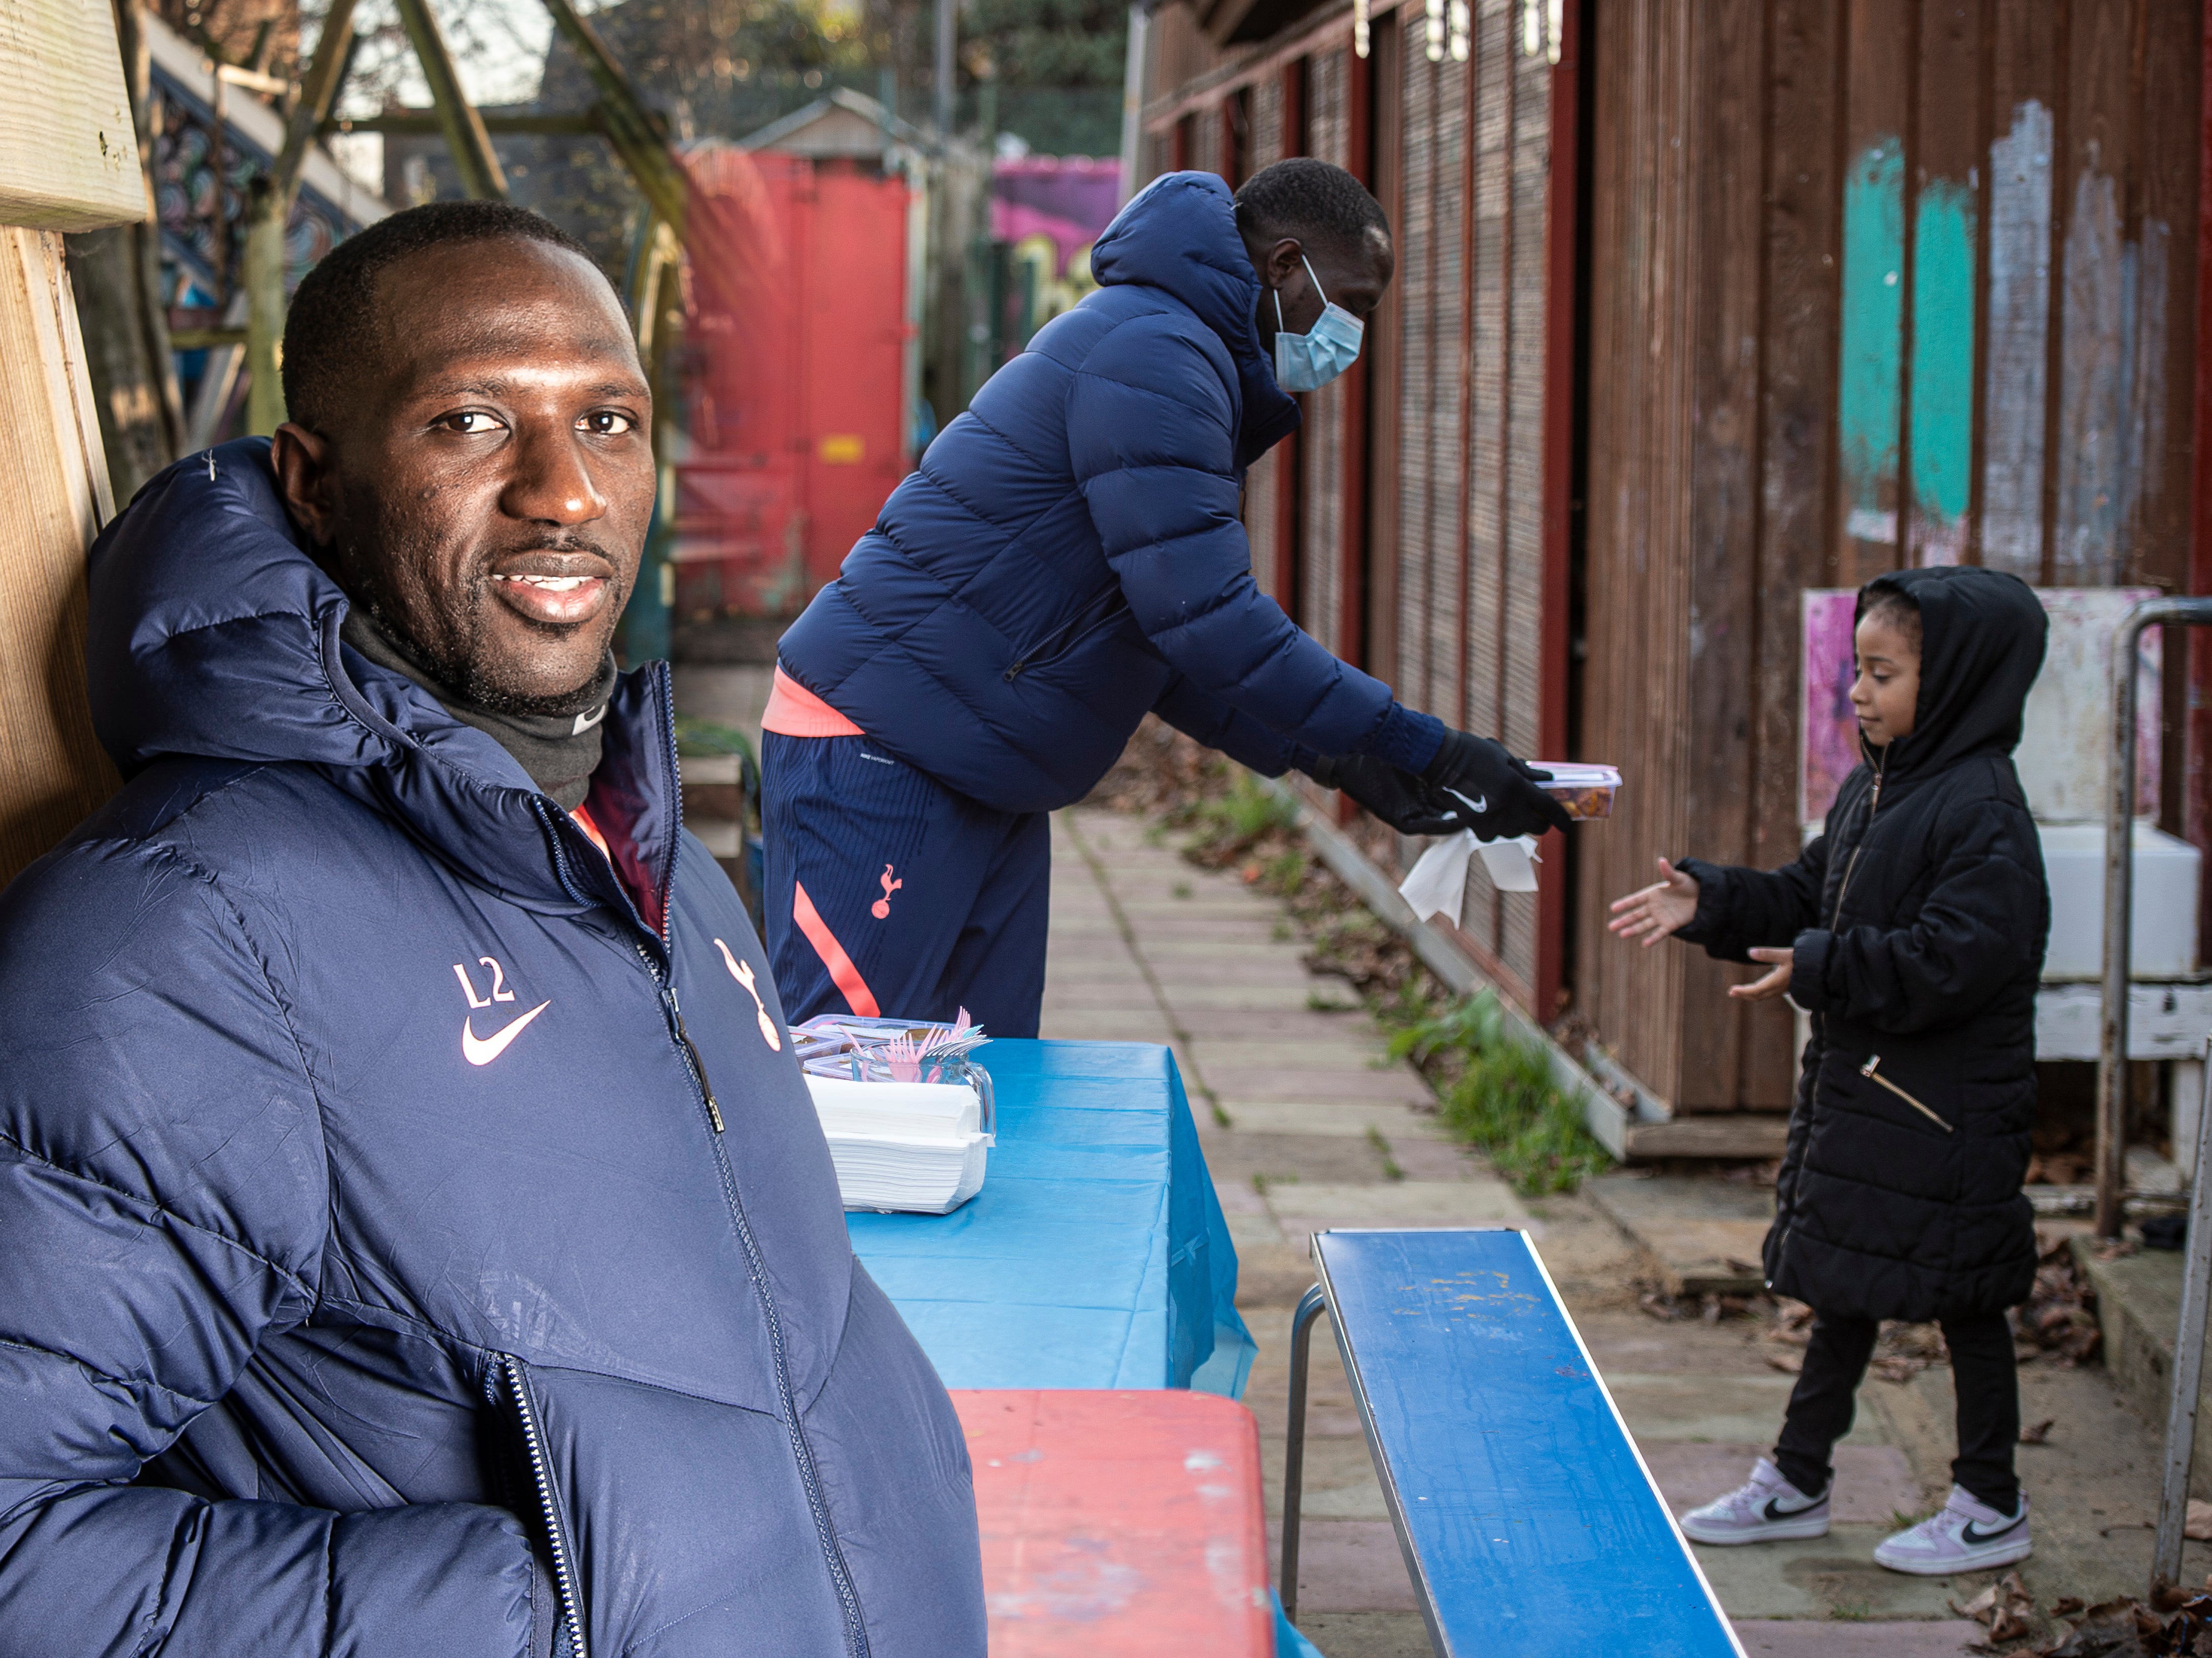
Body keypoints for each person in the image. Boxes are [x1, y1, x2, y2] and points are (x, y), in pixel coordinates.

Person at [0, 201, 984, 1656]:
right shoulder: (189, 935)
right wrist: (553, 1616)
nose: (563, 491)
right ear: (312, 487)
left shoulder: (651, 858)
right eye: (468, 420)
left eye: (609, 420)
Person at [761, 158, 1569, 1038]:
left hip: (972, 763)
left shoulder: (1180, 357)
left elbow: (1162, 645)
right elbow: (1212, 622)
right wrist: (1431, 749)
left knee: (981, 1087)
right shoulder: (1155, 354)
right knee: (850, 1086)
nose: (1354, 336)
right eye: (1356, 303)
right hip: (881, 752)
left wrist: (1343, 762)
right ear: (1285, 265)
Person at [1607, 566, 2049, 1576]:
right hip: (1880, 1092)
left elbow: (1950, 958)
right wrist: (1711, 901)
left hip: (1951, 1110)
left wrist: (1819, 966)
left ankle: (1991, 1498)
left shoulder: (1982, 813)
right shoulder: (1877, 785)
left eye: (1883, 674)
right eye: (1857, 668)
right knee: (1846, 1280)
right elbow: (1812, 892)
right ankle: (1797, 1476)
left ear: (1959, 684)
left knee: (1966, 1295)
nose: (1857, 690)